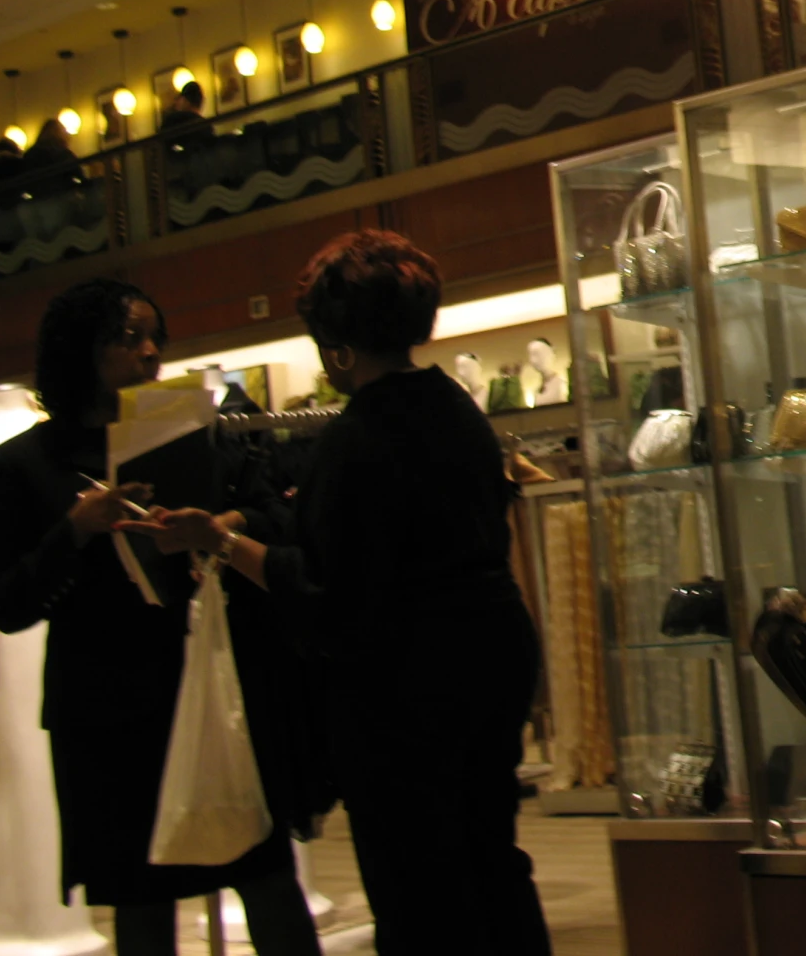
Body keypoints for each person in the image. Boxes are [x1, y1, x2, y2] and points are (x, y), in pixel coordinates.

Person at [131, 231, 551, 956]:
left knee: (418, 884)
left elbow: (328, 592)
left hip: (407, 689)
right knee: (490, 859)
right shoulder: (457, 411)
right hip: (488, 657)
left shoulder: (356, 438)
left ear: (338, 345)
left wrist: (221, 542)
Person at [0, 279, 319, 956]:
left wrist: (222, 526)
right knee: (141, 901)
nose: (149, 352)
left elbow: (279, 520)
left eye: (153, 335)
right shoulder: (21, 466)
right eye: (127, 337)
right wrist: (74, 531)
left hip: (214, 689)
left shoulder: (200, 434)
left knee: (267, 878)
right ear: (82, 350)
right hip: (109, 714)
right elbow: (7, 605)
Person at [15, 117, 81, 199]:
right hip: (61, 199)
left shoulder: (31, 154)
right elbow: (78, 177)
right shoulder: (64, 155)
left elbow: (24, 179)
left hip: (36, 201)